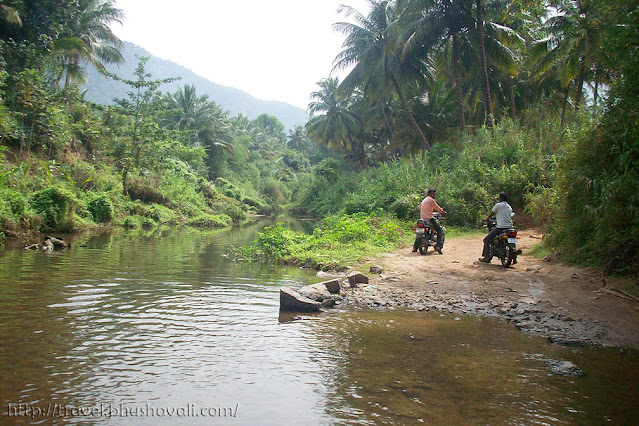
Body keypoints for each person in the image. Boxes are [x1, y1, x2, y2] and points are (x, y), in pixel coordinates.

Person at [478, 192, 513, 263]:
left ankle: (487, 257)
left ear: (501, 198)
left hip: (501, 227)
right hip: (510, 227)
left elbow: (492, 213)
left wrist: (486, 219)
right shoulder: (509, 207)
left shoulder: (498, 205)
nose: (498, 198)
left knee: (486, 240)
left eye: (499, 197)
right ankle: (514, 257)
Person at [413, 189, 446, 254]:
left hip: (422, 219)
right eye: (433, 194)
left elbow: (419, 208)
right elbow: (437, 207)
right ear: (430, 194)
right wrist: (443, 212)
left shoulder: (424, 200)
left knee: (419, 232)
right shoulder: (431, 200)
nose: (434, 195)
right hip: (429, 218)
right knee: (439, 230)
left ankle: (414, 248)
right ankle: (438, 246)